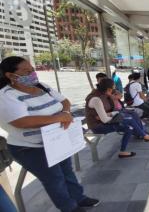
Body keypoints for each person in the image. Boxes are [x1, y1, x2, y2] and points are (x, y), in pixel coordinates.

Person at [0, 56, 99, 212]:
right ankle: (69, 207)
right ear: (10, 75)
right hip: (31, 148)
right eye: (27, 71)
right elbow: (21, 121)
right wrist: (59, 117)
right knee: (54, 178)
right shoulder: (6, 96)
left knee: (67, 171)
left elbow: (65, 101)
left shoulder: (42, 87)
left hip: (57, 139)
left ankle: (78, 197)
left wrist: (65, 112)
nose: (32, 73)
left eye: (32, 69)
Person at [85, 78, 149, 159]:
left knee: (129, 127)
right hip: (98, 127)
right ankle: (144, 135)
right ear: (108, 89)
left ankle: (122, 151)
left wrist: (111, 114)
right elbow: (104, 119)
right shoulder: (96, 99)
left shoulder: (103, 96)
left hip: (104, 122)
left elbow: (105, 114)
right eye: (113, 89)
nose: (113, 91)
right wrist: (114, 114)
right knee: (129, 119)